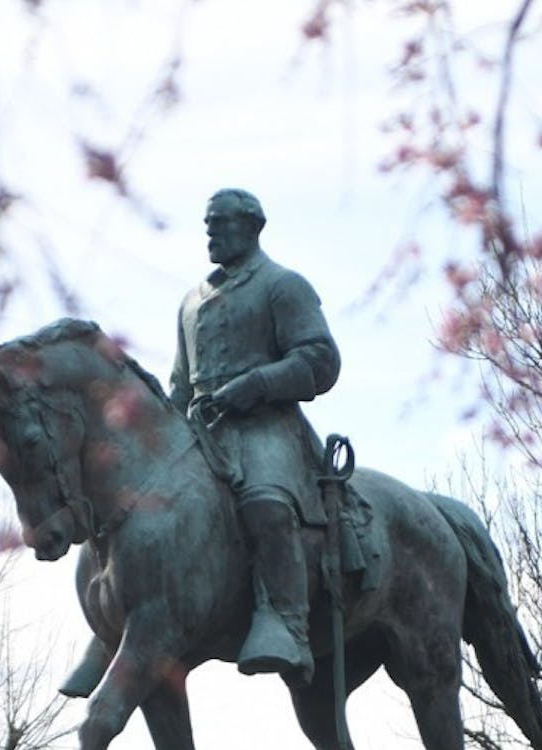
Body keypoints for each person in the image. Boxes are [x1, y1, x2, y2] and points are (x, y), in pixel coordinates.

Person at [170, 188, 340, 684]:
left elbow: (320, 360)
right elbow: (180, 384)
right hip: (204, 433)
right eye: (207, 224)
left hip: (269, 428)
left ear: (252, 227)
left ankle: (287, 621)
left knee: (265, 502)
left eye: (220, 223)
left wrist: (256, 384)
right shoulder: (190, 302)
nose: (211, 232)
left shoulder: (284, 286)